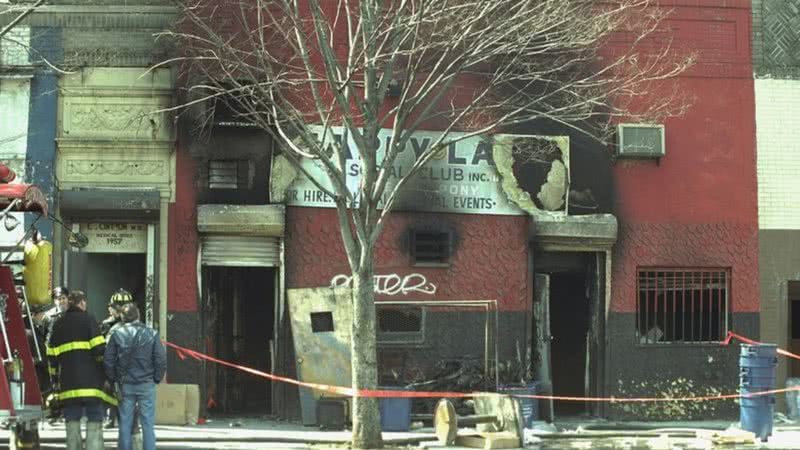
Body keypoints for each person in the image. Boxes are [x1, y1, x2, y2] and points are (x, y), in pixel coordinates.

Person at [47, 290, 117, 450]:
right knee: (94, 417)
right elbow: (100, 351)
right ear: (82, 303)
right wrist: (107, 375)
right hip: (92, 384)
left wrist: (55, 385)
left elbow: (51, 359)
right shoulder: (89, 320)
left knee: (72, 418)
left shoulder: (57, 325)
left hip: (68, 385)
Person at [104, 303, 166, 450]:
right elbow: (161, 360)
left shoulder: (116, 334)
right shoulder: (152, 334)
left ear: (122, 318)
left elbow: (108, 360)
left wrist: (114, 379)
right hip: (146, 384)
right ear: (138, 315)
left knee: (125, 424)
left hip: (125, 385)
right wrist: (156, 378)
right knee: (148, 425)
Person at [101, 288, 134, 429]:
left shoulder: (115, 328)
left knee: (119, 393)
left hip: (121, 367)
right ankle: (113, 417)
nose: (109, 310)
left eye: (112, 307)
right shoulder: (108, 325)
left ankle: (118, 419)